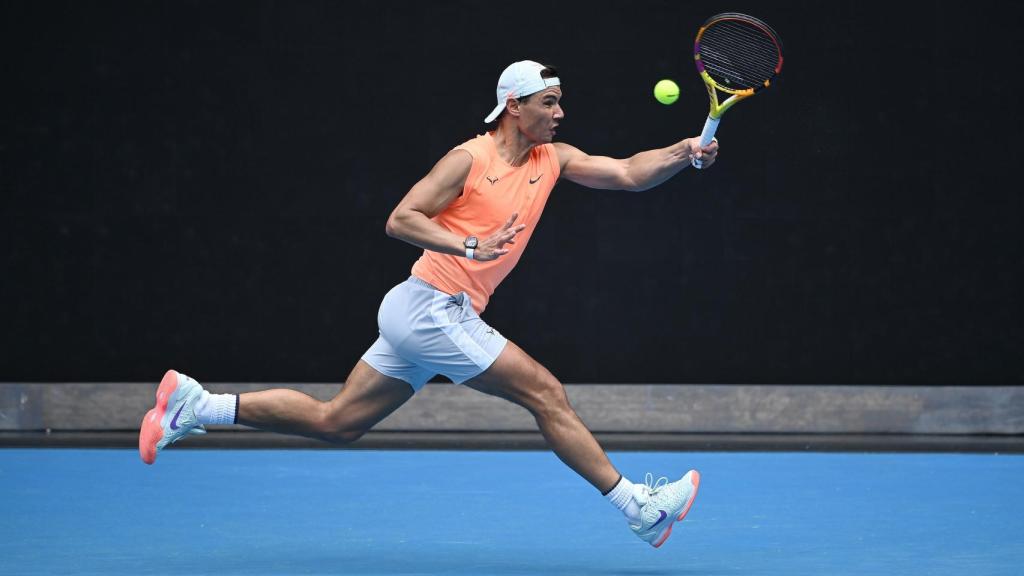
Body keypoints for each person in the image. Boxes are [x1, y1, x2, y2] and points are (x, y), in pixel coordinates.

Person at [139, 60, 718, 548]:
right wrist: (468, 243)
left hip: (420, 312)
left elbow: (624, 173)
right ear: (515, 106)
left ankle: (197, 407)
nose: (560, 112)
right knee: (545, 392)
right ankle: (637, 508)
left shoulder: (554, 159)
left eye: (561, 102)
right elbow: (400, 219)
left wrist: (682, 151)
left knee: (337, 421)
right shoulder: (468, 159)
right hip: (433, 306)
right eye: (550, 102)